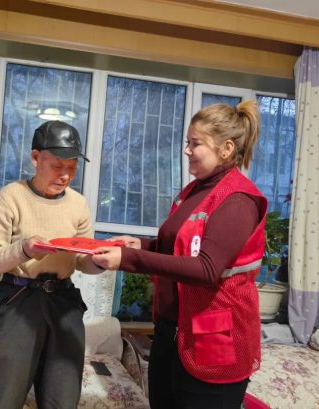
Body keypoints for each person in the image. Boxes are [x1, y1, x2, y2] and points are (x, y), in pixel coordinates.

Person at [92, 100, 268, 409]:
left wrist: (128, 260)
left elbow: (207, 269)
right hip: (171, 332)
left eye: (195, 143)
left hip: (214, 334)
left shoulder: (238, 200)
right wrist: (138, 246)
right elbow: (181, 248)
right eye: (187, 142)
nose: (186, 150)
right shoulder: (195, 191)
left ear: (226, 149)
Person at [0, 120, 103, 409]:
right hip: (18, 300)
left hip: (64, 302)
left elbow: (82, 260)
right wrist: (24, 249)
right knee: (2, 399)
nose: (65, 175)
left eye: (72, 168)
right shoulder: (12, 196)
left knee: (63, 400)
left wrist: (101, 261)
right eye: (57, 166)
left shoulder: (78, 204)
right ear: (36, 158)